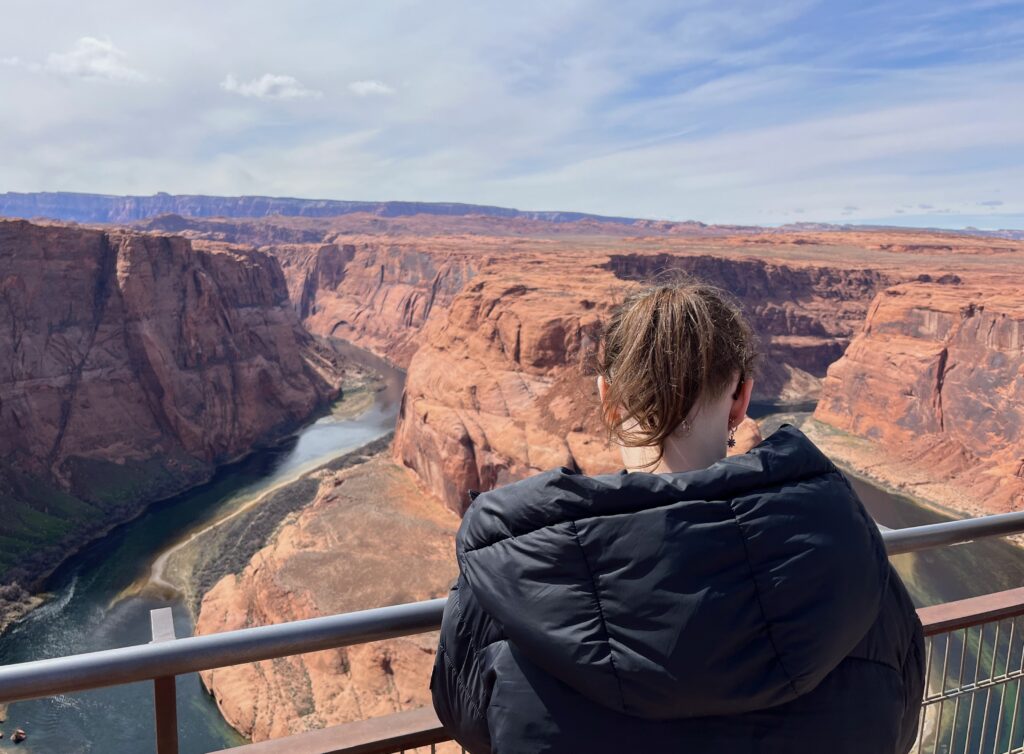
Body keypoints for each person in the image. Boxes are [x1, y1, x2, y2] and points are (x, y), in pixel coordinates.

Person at [431, 281, 924, 753]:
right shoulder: (856, 564)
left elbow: (467, 720)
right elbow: (898, 721)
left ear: (608, 398)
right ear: (742, 398)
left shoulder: (506, 579)